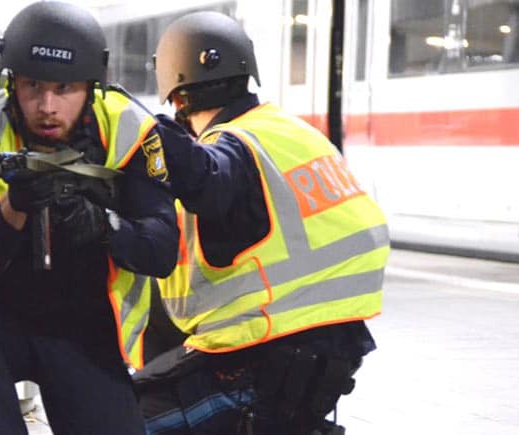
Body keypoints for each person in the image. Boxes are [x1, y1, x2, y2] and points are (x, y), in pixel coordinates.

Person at [133, 11, 391, 435]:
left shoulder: (228, 145)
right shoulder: (293, 133)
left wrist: (144, 135)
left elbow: (211, 179)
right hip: (331, 353)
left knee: (117, 419)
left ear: (177, 98)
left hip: (257, 361)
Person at [0, 2, 179, 434]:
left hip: (82, 321)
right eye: (32, 86)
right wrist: (14, 208)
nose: (47, 106)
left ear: (92, 87)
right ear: (12, 82)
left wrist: (101, 225)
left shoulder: (133, 132)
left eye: (64, 89)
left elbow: (161, 251)